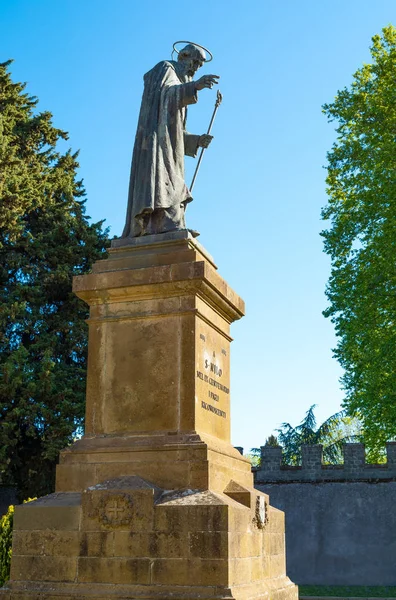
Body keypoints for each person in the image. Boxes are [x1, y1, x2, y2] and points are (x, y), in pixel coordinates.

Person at [121, 44, 219, 238]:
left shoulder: (179, 81)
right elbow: (163, 96)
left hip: (169, 148)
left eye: (200, 65)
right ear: (183, 56)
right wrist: (194, 86)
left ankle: (169, 225)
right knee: (163, 182)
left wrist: (196, 140)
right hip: (155, 145)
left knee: (173, 182)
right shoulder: (165, 69)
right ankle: (164, 226)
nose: (196, 68)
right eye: (194, 62)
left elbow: (176, 129)